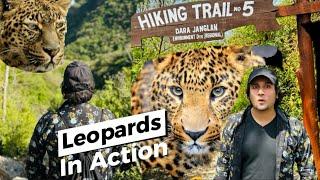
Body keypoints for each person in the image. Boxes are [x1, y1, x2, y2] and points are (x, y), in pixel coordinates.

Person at [215, 67, 316, 179]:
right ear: (248, 93)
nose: (261, 92)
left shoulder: (293, 128)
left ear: (277, 93)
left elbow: (308, 171)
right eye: (255, 87)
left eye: (267, 86)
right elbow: (222, 170)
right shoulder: (233, 124)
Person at [25, 61, 115, 179]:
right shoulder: (107, 118)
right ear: (91, 87)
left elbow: (33, 166)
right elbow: (119, 157)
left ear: (64, 88)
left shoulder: (49, 122)